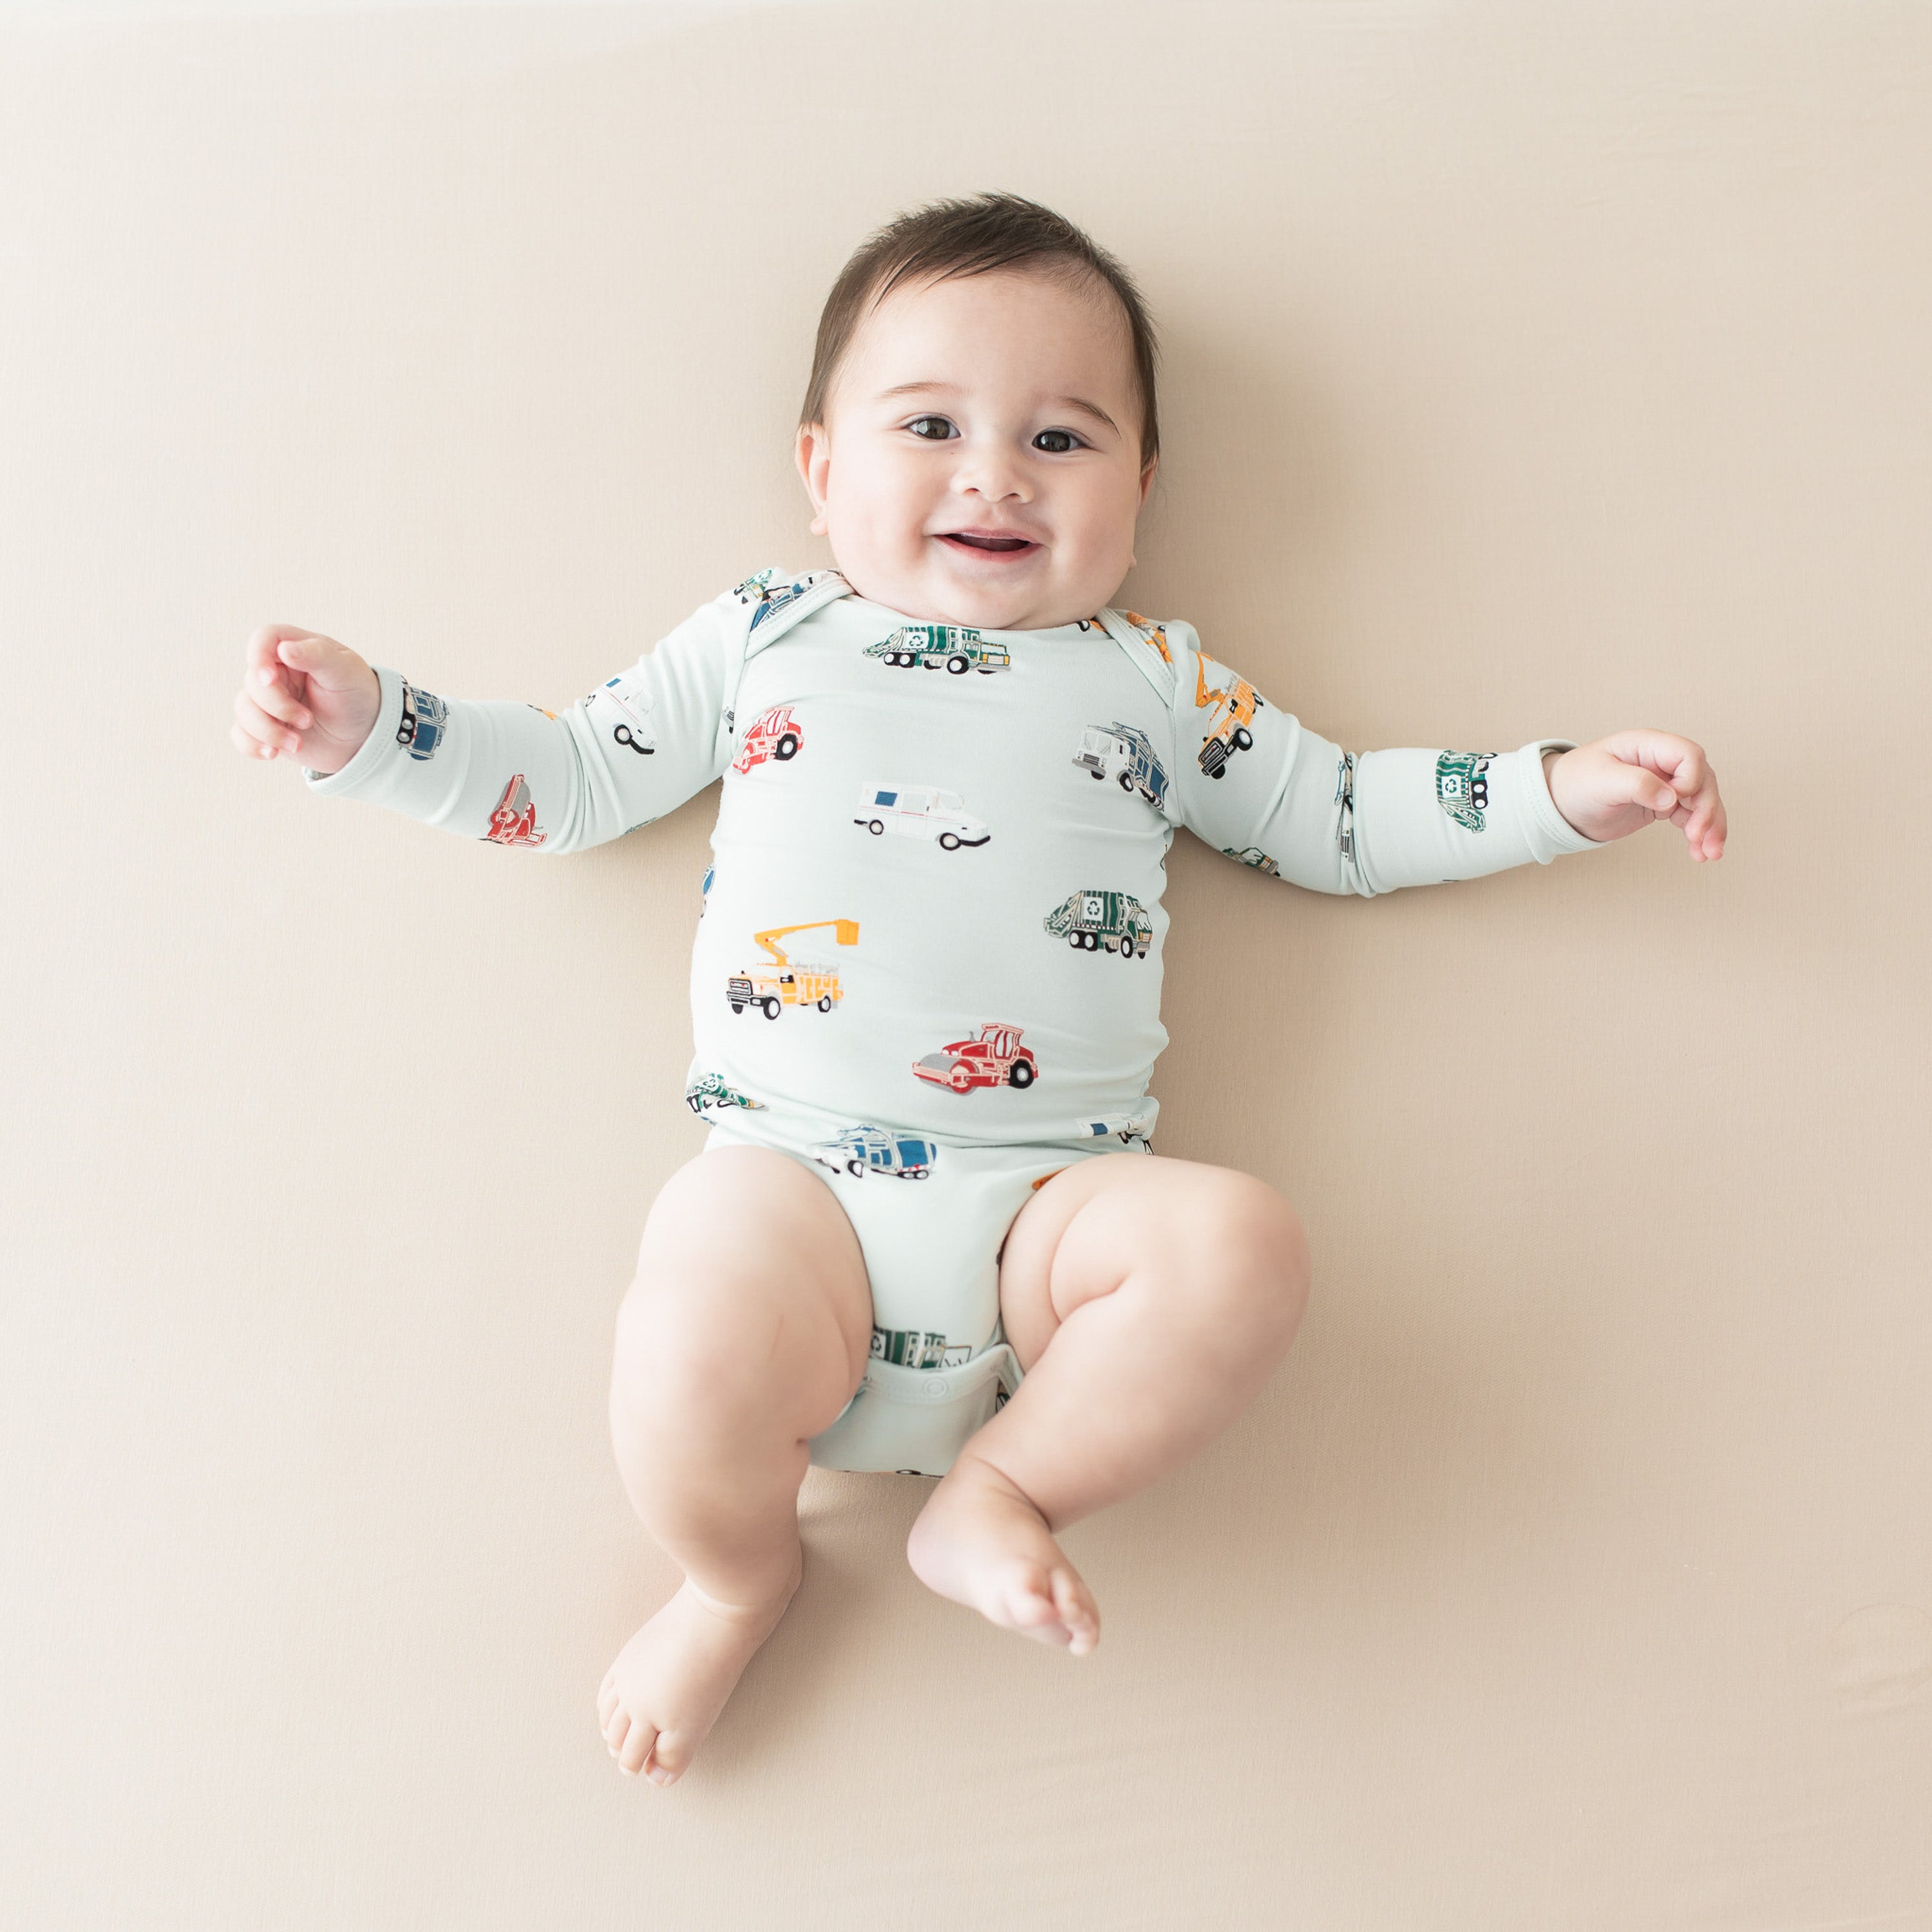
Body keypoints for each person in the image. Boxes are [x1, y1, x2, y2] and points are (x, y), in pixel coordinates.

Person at [230, 193, 1727, 1789]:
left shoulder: (1158, 681)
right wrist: (375, 731)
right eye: (930, 424)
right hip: (794, 1191)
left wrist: (1562, 791)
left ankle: (1003, 1488)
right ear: (820, 472)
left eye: (1064, 440)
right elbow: (577, 776)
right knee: (681, 1321)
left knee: (1242, 1246)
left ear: (1142, 494)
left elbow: (1344, 820)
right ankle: (739, 1573)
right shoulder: (765, 636)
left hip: (1048, 1232)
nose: (995, 474)